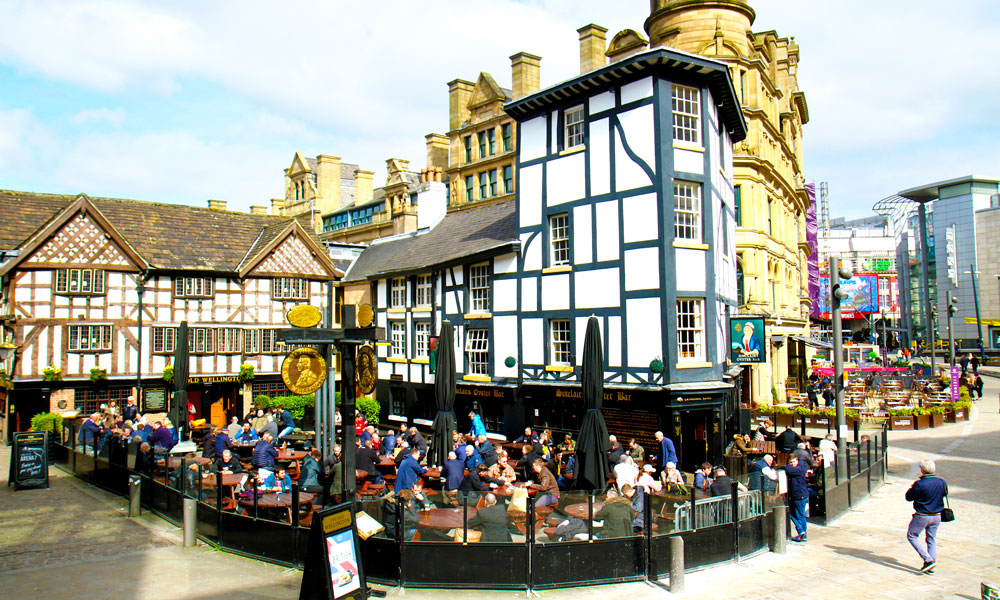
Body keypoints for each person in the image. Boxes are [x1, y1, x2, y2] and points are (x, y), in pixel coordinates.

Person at [905, 459, 948, 573]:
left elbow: (909, 497)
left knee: (912, 536)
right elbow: (944, 494)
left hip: (922, 515)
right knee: (931, 539)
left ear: (923, 470)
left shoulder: (920, 484)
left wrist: (912, 488)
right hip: (937, 516)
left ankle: (928, 560)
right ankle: (931, 566)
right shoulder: (942, 482)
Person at [785, 454, 810, 542]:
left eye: (794, 462)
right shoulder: (800, 466)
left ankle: (802, 533)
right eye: (790, 462)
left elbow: (788, 469)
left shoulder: (799, 468)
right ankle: (802, 533)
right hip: (797, 495)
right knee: (796, 515)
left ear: (797, 461)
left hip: (800, 496)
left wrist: (784, 466)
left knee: (799, 515)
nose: (792, 464)